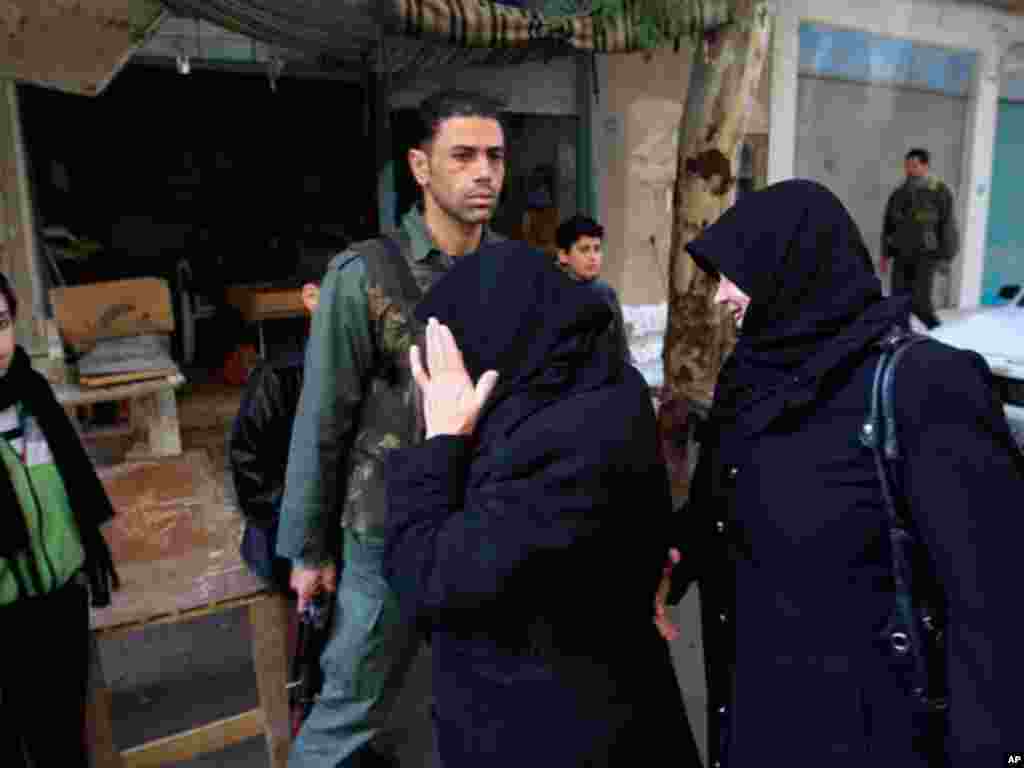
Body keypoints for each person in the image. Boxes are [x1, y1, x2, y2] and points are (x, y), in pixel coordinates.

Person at [655, 179, 1024, 767]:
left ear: (796, 270)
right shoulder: (751, 380)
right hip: (759, 721)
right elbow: (716, 511)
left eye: (737, 275)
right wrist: (671, 564)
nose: (722, 295)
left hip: (875, 734)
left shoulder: (922, 385)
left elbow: (993, 600)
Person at [382, 240, 699, 768]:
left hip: (547, 726)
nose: (448, 368)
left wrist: (441, 444)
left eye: (455, 345)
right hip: (607, 703)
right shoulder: (603, 385)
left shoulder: (556, 444)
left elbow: (429, 582)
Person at [277, 89, 506, 768]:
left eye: (494, 156)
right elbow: (324, 416)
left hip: (484, 521)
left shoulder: (512, 270)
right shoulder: (364, 274)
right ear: (420, 165)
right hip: (384, 525)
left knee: (486, 698)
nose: (484, 172)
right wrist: (308, 550)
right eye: (462, 155)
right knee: (349, 703)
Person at [0, 272, 120, 767]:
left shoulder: (33, 396)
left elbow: (68, 494)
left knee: (64, 749)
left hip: (58, 605)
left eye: (1, 322)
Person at [228, 262, 325, 591]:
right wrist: (303, 538)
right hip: (285, 532)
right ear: (312, 297)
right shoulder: (280, 374)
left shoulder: (378, 367)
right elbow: (249, 465)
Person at [882, 148, 959, 329]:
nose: (909, 169)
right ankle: (902, 337)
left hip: (926, 255)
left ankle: (938, 332)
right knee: (898, 301)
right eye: (907, 165)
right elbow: (889, 225)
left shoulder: (939, 191)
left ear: (925, 166)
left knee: (920, 302)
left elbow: (947, 226)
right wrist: (885, 254)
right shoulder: (899, 193)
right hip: (902, 254)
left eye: (914, 165)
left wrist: (946, 257)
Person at [555, 214, 630, 361]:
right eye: (584, 250)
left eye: (597, 249)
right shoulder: (548, 292)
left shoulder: (605, 292)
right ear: (564, 255)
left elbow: (620, 348)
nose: (593, 257)